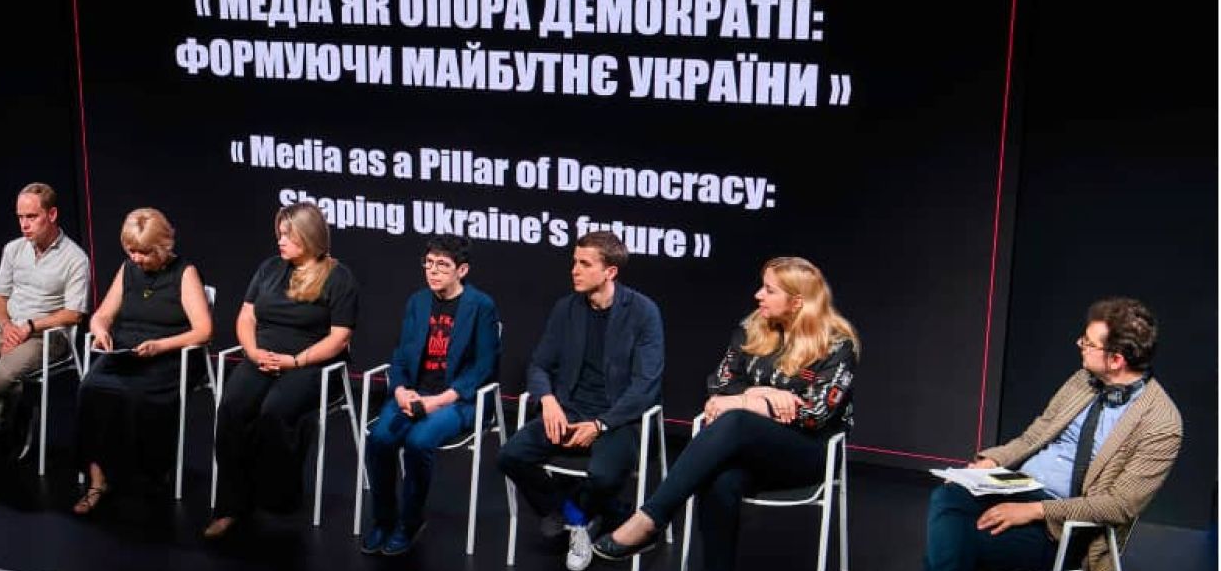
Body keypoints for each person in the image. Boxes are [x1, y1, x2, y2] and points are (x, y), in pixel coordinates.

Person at [591, 256, 860, 570]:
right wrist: (762, 394)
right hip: (751, 450)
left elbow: (814, 413)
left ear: (797, 302)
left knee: (735, 420)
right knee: (721, 480)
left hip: (808, 453)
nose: (758, 295)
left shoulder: (836, 344)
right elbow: (719, 385)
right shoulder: (753, 327)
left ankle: (650, 519)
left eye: (770, 290)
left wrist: (745, 403)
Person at [921, 298, 1182, 571]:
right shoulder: (1082, 380)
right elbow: (1033, 436)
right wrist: (992, 462)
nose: (1079, 344)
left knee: (959, 541)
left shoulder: (1161, 423)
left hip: (1061, 523)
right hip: (1018, 486)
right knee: (947, 498)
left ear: (1116, 360)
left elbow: (1118, 506)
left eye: (1088, 343)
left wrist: (1035, 511)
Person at [497, 230, 665, 571]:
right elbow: (540, 364)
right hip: (569, 409)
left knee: (603, 476)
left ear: (610, 272)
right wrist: (548, 401)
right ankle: (578, 516)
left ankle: (586, 515)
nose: (574, 270)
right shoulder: (566, 308)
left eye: (585, 264)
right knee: (510, 455)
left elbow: (646, 385)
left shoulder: (643, 311)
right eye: (574, 262)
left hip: (617, 418)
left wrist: (601, 424)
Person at [205, 202, 359, 540]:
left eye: (288, 235)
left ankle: (275, 496)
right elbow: (246, 316)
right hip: (263, 355)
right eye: (280, 234)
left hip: (312, 362)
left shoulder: (338, 276)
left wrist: (296, 361)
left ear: (310, 236)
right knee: (232, 408)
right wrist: (252, 351)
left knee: (275, 410)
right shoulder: (270, 268)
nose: (280, 240)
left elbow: (340, 337)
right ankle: (230, 505)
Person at [359, 235, 502, 555]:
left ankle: (410, 522)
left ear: (461, 270)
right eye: (429, 263)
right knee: (380, 439)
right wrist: (400, 390)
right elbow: (401, 354)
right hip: (414, 392)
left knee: (418, 441)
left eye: (442, 265)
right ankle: (383, 520)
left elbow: (483, 366)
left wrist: (438, 401)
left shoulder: (481, 306)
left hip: (458, 399)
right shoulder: (418, 302)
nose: (433, 271)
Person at [73, 207, 213, 515]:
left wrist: (160, 346)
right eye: (131, 251)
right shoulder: (128, 269)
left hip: (170, 353)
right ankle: (97, 481)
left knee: (137, 396)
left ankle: (143, 475)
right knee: (90, 388)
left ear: (163, 246)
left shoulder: (184, 272)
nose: (137, 258)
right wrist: (100, 330)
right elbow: (102, 315)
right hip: (128, 349)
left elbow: (203, 330)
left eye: (144, 253)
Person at [0, 182, 89, 463]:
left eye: (31, 217)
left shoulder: (75, 258)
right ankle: (11, 408)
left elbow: (74, 314)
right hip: (5, 328)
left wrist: (29, 327)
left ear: (52, 214)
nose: (24, 224)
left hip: (45, 335)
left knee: (2, 375)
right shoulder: (13, 249)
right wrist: (7, 326)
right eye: (20, 217)